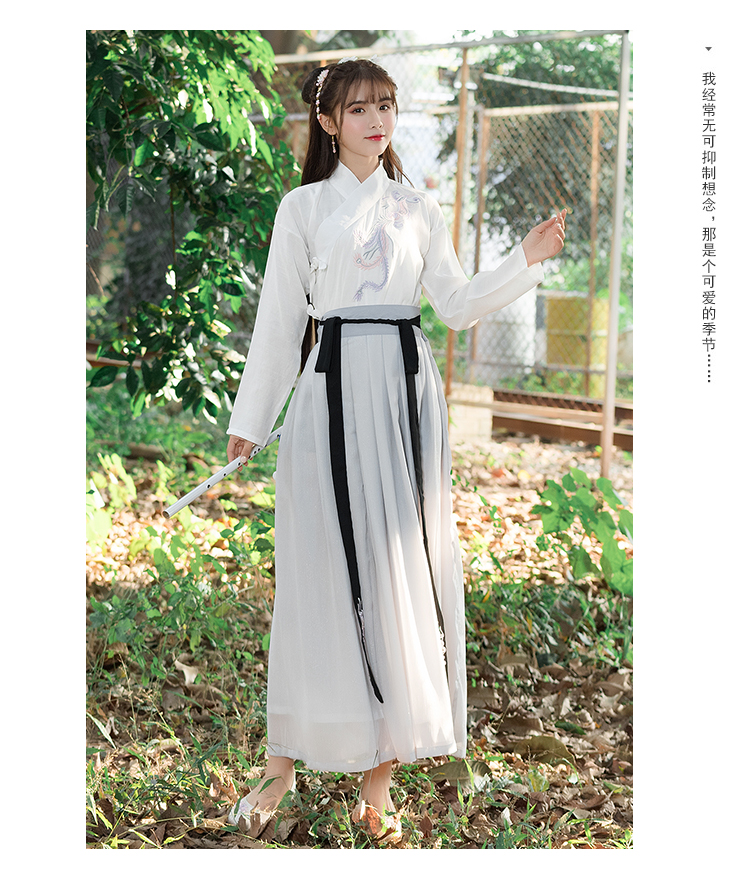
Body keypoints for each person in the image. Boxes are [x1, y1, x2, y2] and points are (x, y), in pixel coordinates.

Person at [225, 58, 565, 843]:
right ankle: (281, 767)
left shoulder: (417, 208)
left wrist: (524, 260)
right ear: (327, 122)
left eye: (385, 104)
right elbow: (281, 320)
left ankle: (377, 787)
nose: (376, 120)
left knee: (399, 576)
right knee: (316, 571)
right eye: (358, 108)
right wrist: (252, 417)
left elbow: (455, 305)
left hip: (405, 399)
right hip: (330, 394)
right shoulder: (303, 209)